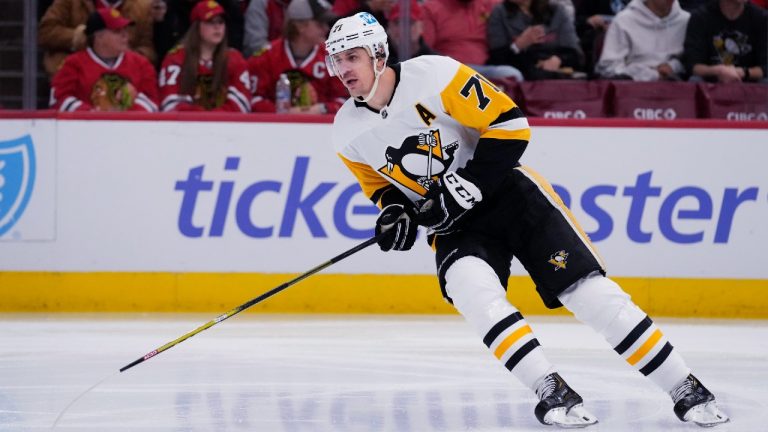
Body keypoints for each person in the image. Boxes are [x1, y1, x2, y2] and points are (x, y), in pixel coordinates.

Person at [324, 11, 730, 428]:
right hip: (457, 226)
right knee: (473, 293)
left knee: (587, 293)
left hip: (510, 196)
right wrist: (395, 212)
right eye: (336, 60)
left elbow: (510, 123)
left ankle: (685, 386)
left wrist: (468, 184)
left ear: (378, 55)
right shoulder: (345, 131)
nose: (343, 69)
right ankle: (551, 391)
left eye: (351, 57)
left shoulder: (435, 75)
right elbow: (379, 185)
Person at [49, 8, 159, 112]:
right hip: (84, 129)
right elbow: (59, 99)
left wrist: (123, 117)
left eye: (125, 30)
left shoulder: (141, 64)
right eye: (117, 31)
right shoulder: (73, 64)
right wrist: (92, 115)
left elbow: (152, 101)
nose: (125, 35)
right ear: (98, 36)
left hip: (131, 129)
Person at [248, 0, 346, 114]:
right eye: (320, 24)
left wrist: (320, 109)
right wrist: (281, 112)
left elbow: (345, 99)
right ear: (300, 26)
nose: (326, 29)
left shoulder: (333, 56)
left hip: (322, 128)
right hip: (274, 128)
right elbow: (253, 100)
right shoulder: (266, 57)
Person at [158, 0, 251, 112]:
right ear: (196, 27)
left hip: (226, 128)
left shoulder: (235, 59)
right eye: (210, 22)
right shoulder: (175, 59)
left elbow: (241, 103)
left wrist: (212, 119)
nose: (217, 27)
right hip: (185, 127)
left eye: (221, 22)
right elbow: (170, 103)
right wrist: (203, 120)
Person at [38, 0, 155, 77]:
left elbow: (148, 47)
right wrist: (79, 37)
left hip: (125, 78)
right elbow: (45, 32)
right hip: (77, 74)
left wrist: (127, 57)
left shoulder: (142, 7)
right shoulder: (70, 2)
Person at [421, 0, 525, 81]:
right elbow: (425, 50)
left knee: (511, 75)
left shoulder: (490, 5)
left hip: (486, 68)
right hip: (450, 70)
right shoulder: (431, 8)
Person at [487, 0, 585, 80]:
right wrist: (518, 45)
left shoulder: (557, 10)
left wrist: (558, 60)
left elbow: (575, 54)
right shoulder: (499, 12)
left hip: (559, 76)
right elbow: (496, 59)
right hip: (524, 76)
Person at [595, 0, 690, 81]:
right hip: (632, 89)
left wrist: (674, 66)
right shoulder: (623, 20)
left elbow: (694, 62)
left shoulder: (687, 20)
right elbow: (608, 68)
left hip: (677, 86)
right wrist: (648, 74)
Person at [683, 0, 767, 83]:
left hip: (749, 84)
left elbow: (765, 66)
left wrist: (742, 72)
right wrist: (718, 71)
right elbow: (693, 66)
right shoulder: (701, 17)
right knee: (695, 80)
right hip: (710, 83)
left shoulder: (761, 18)